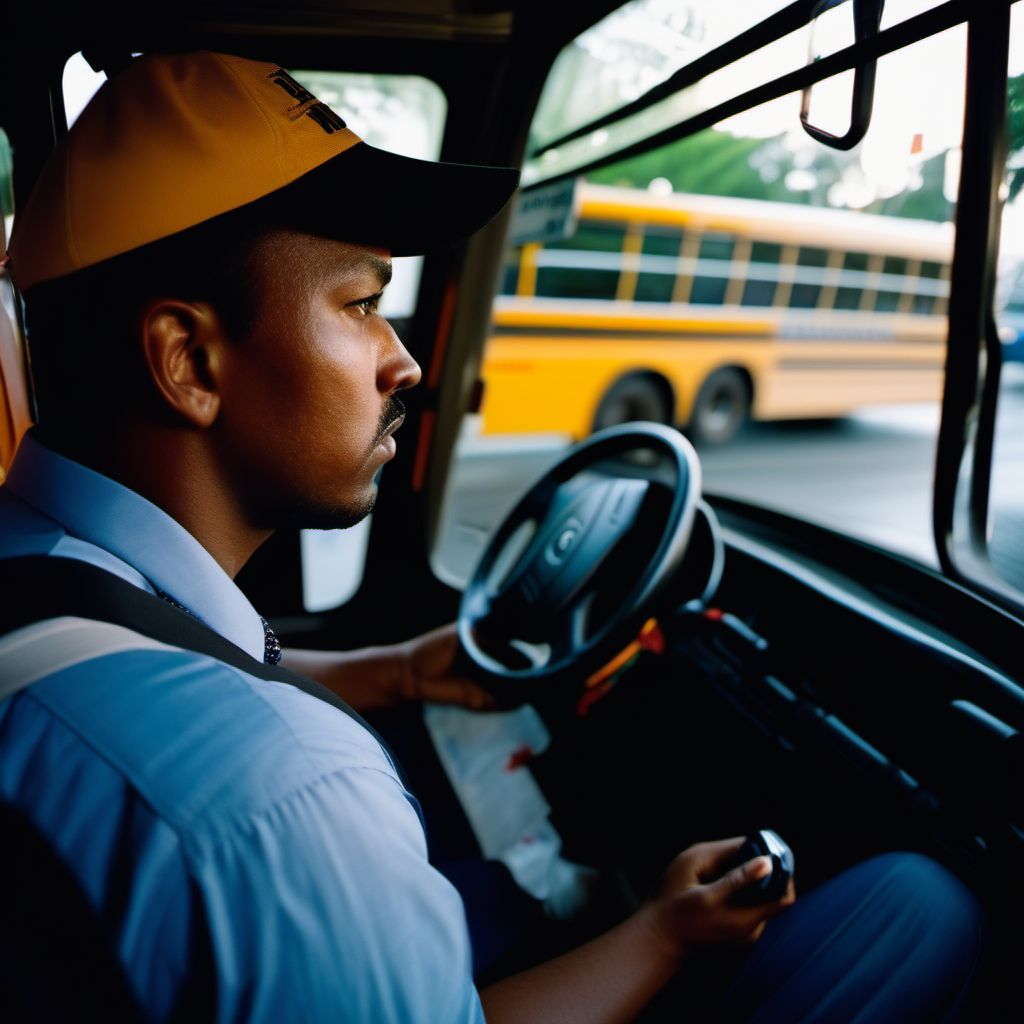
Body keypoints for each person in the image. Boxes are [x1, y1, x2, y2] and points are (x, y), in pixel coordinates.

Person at [0, 51, 985, 1023]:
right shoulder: (291, 795)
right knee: (915, 907)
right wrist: (663, 931)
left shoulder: (38, 571)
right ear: (188, 360)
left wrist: (392, 669)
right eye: (362, 306)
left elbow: (157, 664)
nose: (408, 364)